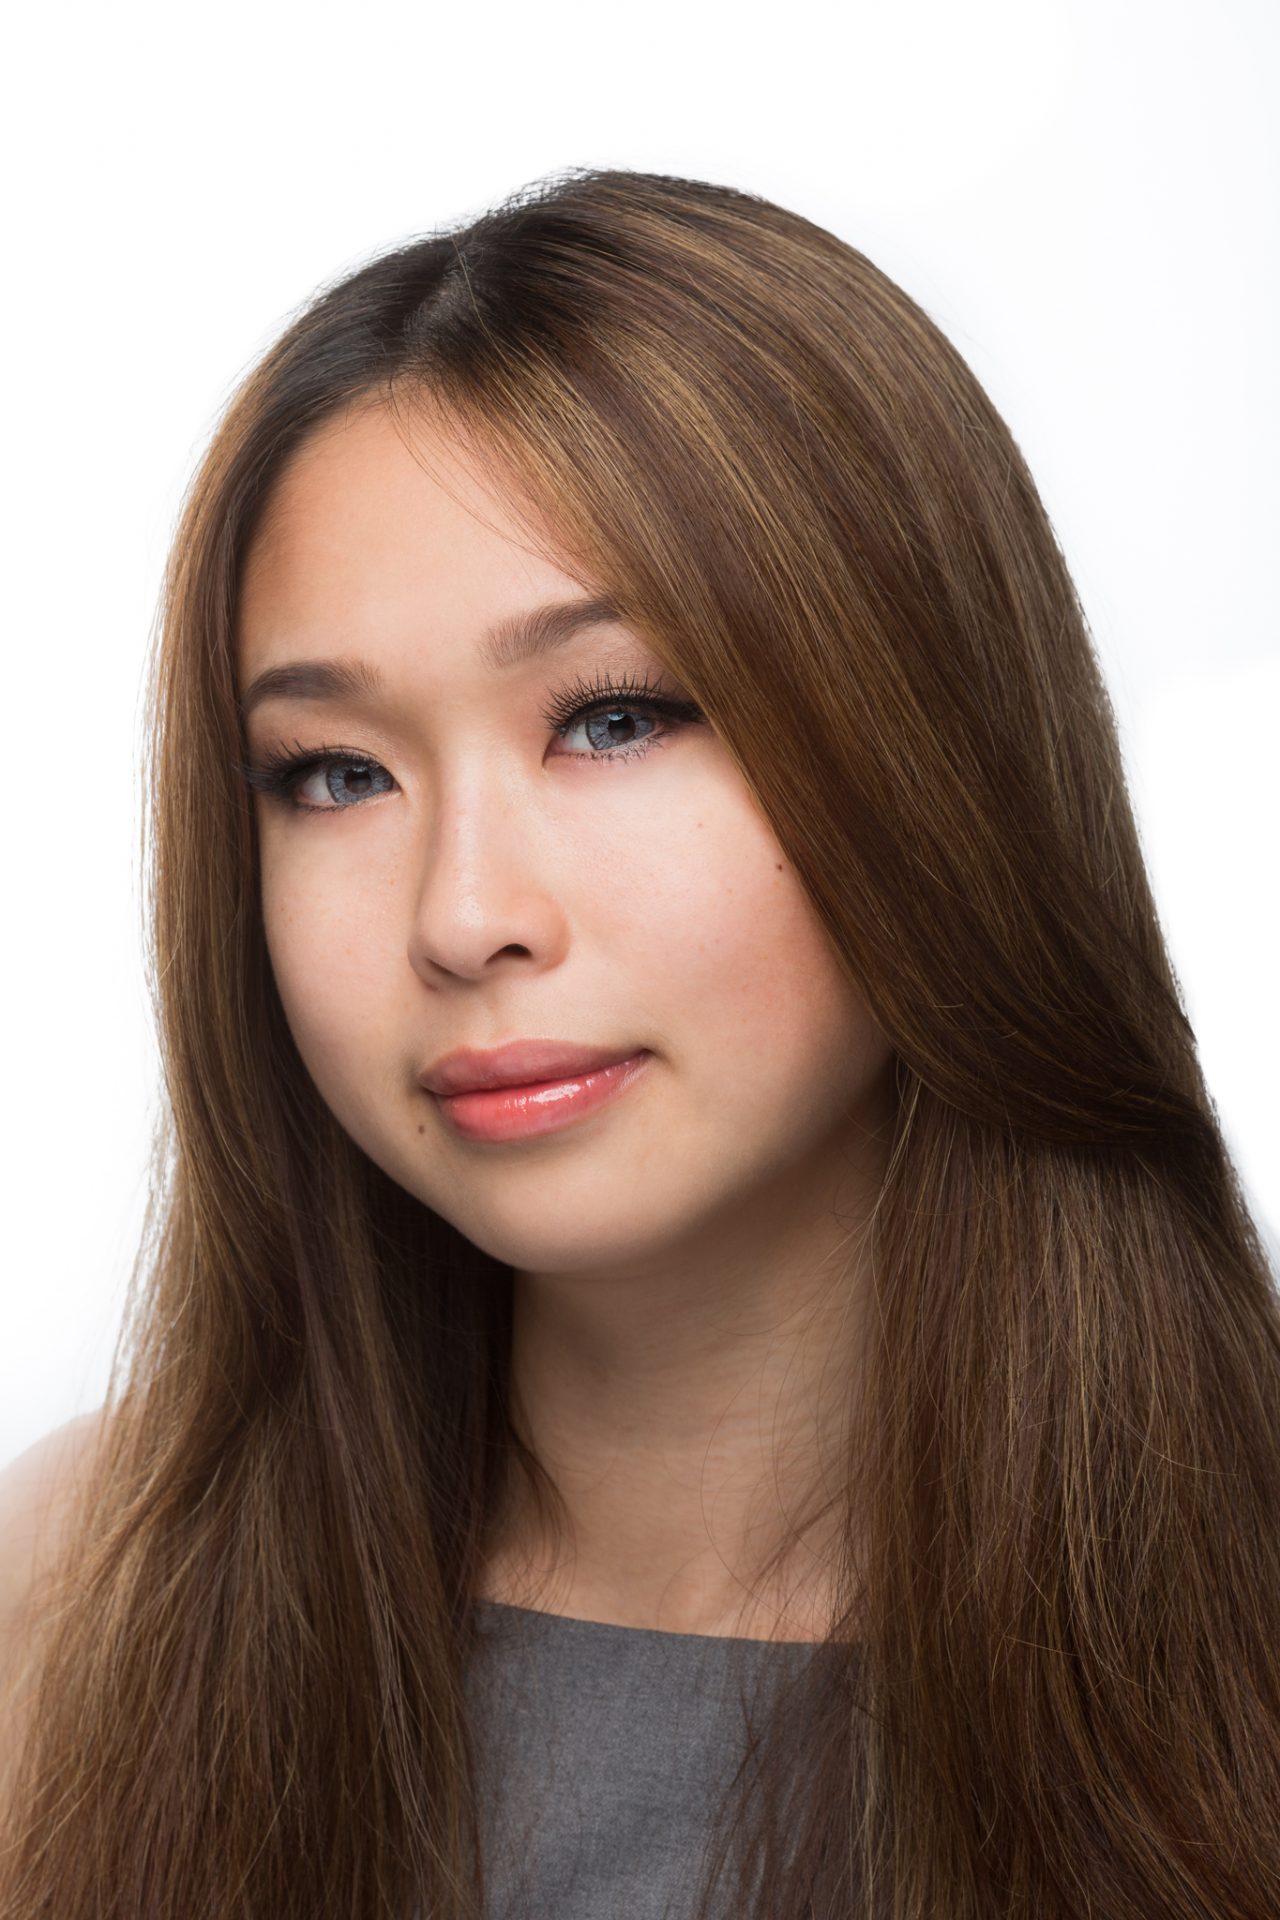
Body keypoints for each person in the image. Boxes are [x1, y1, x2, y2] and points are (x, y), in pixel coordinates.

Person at [2, 166, 1278, 1919]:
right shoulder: (80, 1610)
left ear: (933, 754)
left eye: (613, 719)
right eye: (336, 772)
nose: (464, 915)